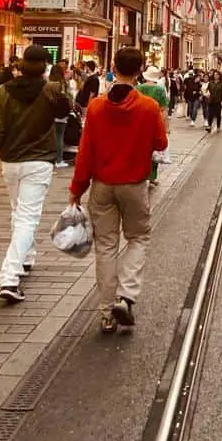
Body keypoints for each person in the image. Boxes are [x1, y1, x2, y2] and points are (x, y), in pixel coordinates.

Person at [70, 48, 168, 333]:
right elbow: (160, 144)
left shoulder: (98, 107)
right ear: (140, 70)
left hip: (102, 186)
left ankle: (106, 313)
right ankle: (126, 296)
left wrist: (76, 189)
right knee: (138, 238)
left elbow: (85, 153)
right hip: (135, 185)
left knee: (106, 246)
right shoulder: (148, 107)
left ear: (113, 67)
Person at [0, 45, 71, 304]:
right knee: (27, 217)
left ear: (22, 64)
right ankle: (10, 276)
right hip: (39, 163)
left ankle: (27, 258)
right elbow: (65, 113)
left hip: (11, 162)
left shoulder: (3, 92)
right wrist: (58, 84)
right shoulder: (51, 90)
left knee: (19, 212)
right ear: (45, 66)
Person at [136, 65, 169, 188]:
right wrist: (166, 127)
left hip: (140, 121)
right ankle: (152, 176)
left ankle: (141, 173)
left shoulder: (138, 88)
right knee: (154, 149)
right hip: (155, 121)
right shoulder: (160, 90)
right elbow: (164, 110)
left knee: (141, 148)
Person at [48, 64, 70, 168]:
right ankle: (59, 159)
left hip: (50, 114)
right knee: (60, 137)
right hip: (62, 114)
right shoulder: (63, 83)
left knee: (50, 137)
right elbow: (69, 97)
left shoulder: (48, 84)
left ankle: (50, 158)